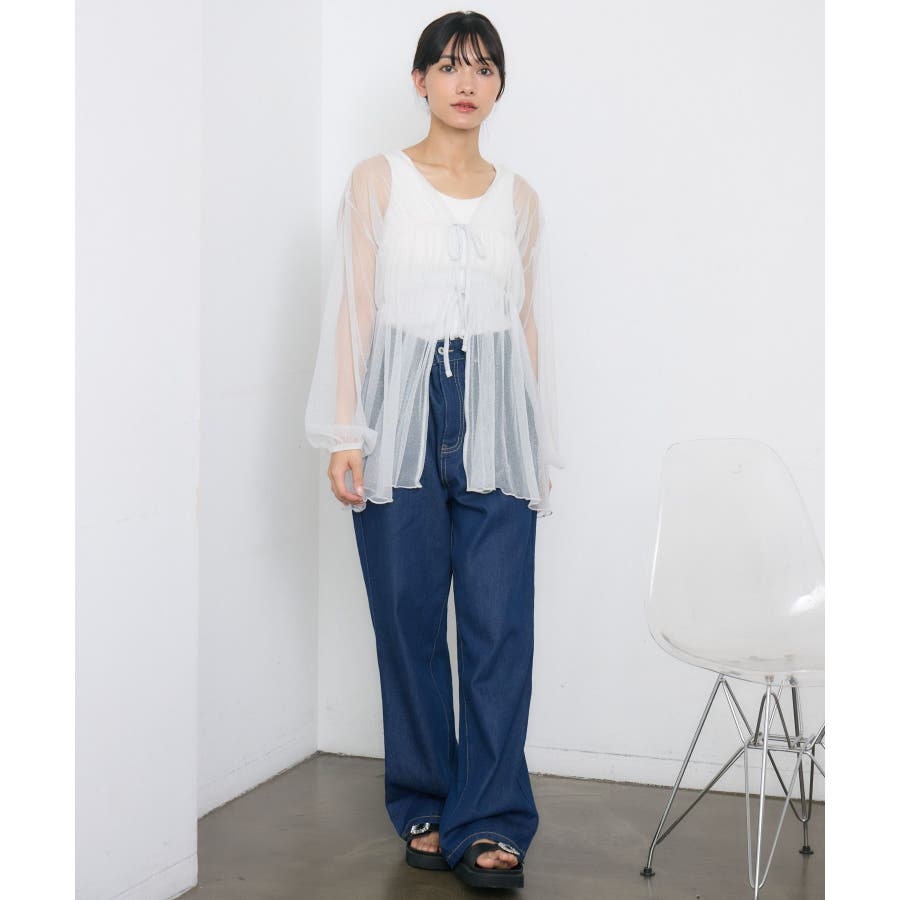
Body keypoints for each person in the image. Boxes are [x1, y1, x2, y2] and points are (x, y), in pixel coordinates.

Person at [304, 10, 564, 890]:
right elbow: (354, 309)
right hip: (400, 412)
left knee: (500, 626)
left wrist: (536, 443)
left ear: (499, 87)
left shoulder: (520, 199)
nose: (466, 82)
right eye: (449, 66)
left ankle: (491, 819)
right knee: (408, 619)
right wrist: (347, 433)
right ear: (419, 81)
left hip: (496, 413)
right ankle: (425, 800)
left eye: (483, 68)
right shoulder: (377, 181)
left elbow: (528, 325)